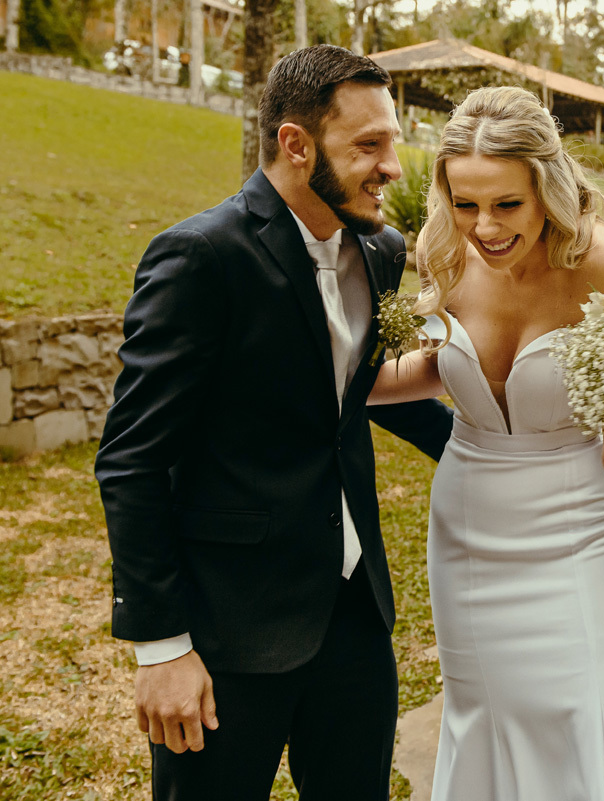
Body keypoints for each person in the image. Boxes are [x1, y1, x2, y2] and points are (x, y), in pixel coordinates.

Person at [94, 45, 456, 800]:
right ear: (296, 144)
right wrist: (160, 645)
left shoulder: (382, 250)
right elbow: (132, 458)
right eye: (369, 145)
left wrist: (497, 456)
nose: (393, 167)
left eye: (393, 142)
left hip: (354, 611)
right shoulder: (202, 256)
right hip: (229, 625)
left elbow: (347, 394)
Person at [368, 86, 604, 800]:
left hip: (583, 525)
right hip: (471, 526)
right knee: (488, 716)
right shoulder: (441, 254)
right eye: (466, 203)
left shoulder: (602, 262)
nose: (484, 227)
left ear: (546, 188)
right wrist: (332, 386)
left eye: (506, 204)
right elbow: (440, 366)